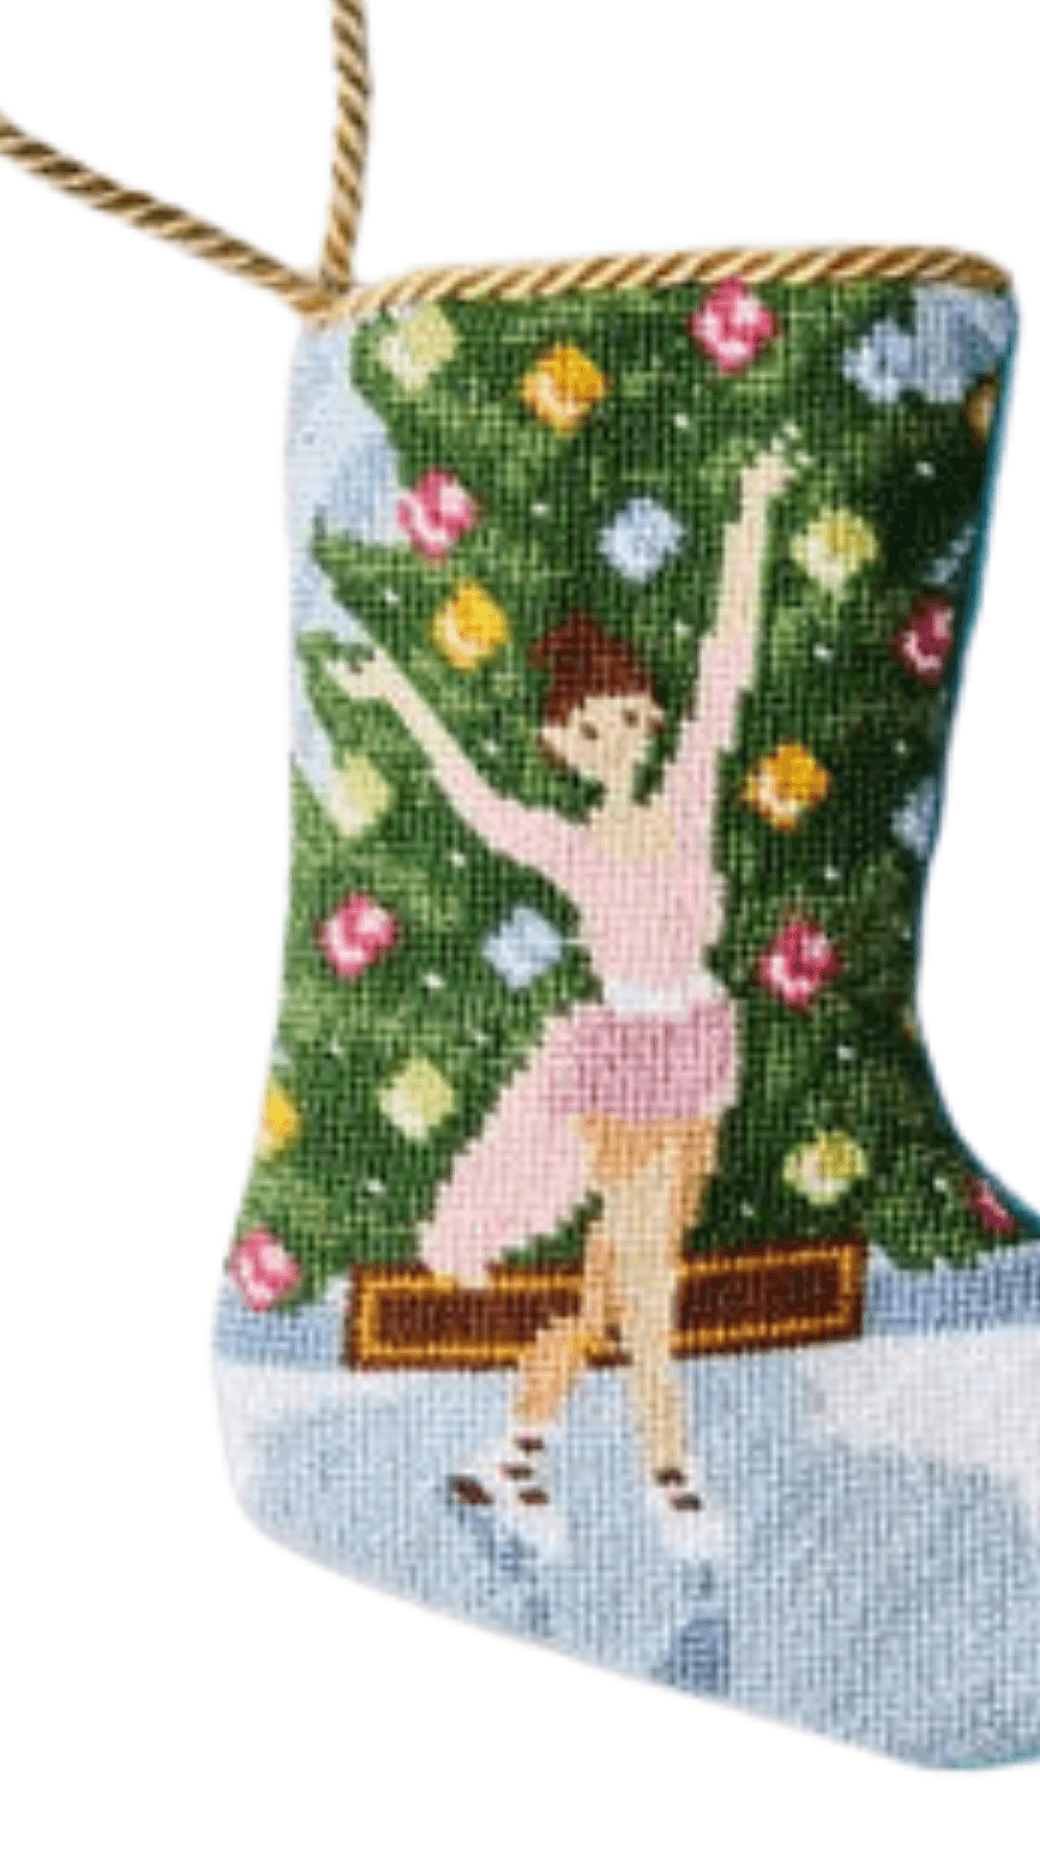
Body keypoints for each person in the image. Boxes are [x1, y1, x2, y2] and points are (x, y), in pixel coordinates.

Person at [327, 439, 797, 1560]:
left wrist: (751, 512)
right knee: (647, 1280)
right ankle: (673, 1479)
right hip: (625, 1068)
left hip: (695, 1053)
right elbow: (475, 802)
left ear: (645, 716)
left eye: (626, 716)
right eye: (590, 728)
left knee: (612, 1284)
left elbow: (727, 657)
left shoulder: (684, 801)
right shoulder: (572, 846)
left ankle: (517, 1450)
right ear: (560, 744)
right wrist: (396, 692)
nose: (615, 737)